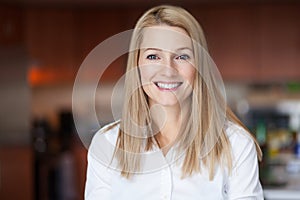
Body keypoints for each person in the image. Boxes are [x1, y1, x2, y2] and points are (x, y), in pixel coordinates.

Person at [85, 5, 264, 199]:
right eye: (153, 56)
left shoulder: (237, 145)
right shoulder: (106, 145)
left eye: (182, 56)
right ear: (136, 65)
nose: (168, 70)